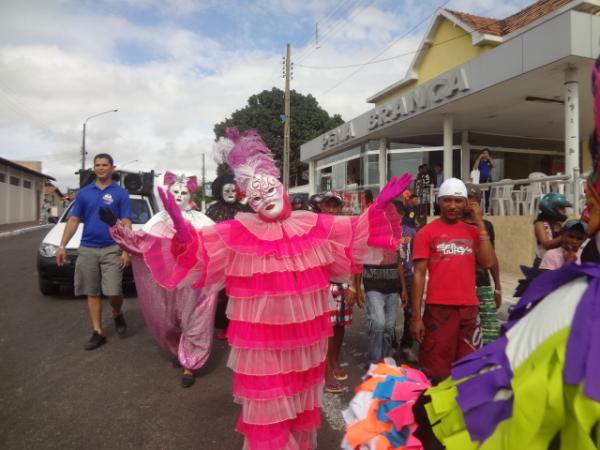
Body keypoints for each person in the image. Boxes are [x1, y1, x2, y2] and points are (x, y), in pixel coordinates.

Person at [105, 128, 412, 450]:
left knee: (298, 401)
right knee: (267, 410)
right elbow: (199, 251)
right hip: (261, 342)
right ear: (248, 202)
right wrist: (179, 234)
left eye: (269, 190)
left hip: (303, 338)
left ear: (282, 187)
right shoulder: (236, 232)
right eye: (256, 196)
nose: (265, 198)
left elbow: (355, 234)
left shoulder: (314, 224)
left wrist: (377, 208)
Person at [129, 172, 217, 388]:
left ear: (191, 195)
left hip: (195, 284)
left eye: (183, 192)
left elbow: (217, 245)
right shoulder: (157, 221)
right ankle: (178, 348)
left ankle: (191, 363)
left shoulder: (202, 220)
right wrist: (116, 228)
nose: (178, 195)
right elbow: (140, 244)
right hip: (166, 283)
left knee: (195, 321)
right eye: (174, 192)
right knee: (166, 320)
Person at [410, 178, 496, 382]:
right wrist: (416, 316)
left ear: (466, 204)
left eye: (458, 201)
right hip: (439, 310)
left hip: (469, 309)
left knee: (468, 370)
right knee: (437, 370)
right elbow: (419, 275)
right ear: (439, 202)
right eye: (447, 200)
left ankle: (460, 411)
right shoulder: (426, 233)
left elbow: (488, 262)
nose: (453, 206)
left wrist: (480, 222)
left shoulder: (474, 232)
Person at [56, 153, 131, 350]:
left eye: (105, 165)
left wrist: (126, 248)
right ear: (94, 168)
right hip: (88, 247)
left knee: (114, 291)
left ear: (112, 168)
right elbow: (73, 220)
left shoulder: (120, 193)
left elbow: (126, 221)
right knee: (92, 291)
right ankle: (98, 332)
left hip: (112, 248)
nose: (101, 168)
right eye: (97, 165)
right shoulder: (84, 193)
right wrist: (62, 245)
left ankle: (116, 312)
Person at [320, 191, 361, 393]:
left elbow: (354, 257)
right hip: (323, 285)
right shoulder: (315, 227)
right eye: (327, 205)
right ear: (321, 207)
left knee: (340, 327)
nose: (331, 209)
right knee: (327, 330)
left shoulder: (348, 228)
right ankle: (326, 371)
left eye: (334, 205)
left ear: (340, 208)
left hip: (343, 284)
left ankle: (334, 361)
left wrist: (354, 286)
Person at [361, 200, 408, 367]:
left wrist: (403, 289)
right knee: (379, 324)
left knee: (389, 327)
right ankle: (374, 362)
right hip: (373, 285)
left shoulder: (396, 236)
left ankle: (386, 361)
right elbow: (357, 261)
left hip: (392, 286)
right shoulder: (367, 234)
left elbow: (399, 263)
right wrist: (355, 288)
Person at [206, 172, 248, 340]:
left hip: (242, 258)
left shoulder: (244, 209)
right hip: (220, 258)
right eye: (227, 190)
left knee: (240, 293)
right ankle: (224, 325)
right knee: (221, 294)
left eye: (233, 190)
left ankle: (239, 325)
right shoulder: (213, 210)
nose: (231, 194)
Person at [464, 183, 502, 345]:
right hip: (462, 285)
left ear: (478, 201)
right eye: (464, 199)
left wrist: (498, 287)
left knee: (490, 331)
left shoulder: (486, 226)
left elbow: (492, 259)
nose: (467, 203)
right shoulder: (456, 224)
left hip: (482, 283)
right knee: (467, 331)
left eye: (471, 199)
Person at [396, 203, 417, 361]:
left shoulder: (411, 232)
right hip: (390, 275)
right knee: (388, 314)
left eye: (397, 213)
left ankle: (407, 345)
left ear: (402, 214)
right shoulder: (385, 232)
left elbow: (416, 255)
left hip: (409, 275)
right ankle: (389, 344)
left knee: (409, 311)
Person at [533, 192, 572, 268]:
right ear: (551, 208)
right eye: (562, 208)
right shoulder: (540, 224)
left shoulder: (558, 224)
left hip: (556, 261)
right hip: (543, 263)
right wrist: (563, 236)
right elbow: (546, 245)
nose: (565, 211)